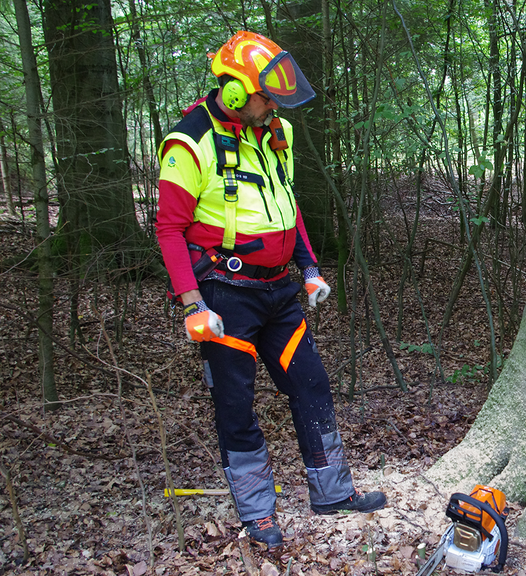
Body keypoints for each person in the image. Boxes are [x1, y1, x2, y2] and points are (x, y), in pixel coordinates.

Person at [155, 30, 386, 548]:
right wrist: (191, 303)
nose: (273, 107)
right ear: (235, 91)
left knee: (312, 385)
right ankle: (258, 515)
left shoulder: (273, 131)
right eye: (266, 97)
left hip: (279, 291)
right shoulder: (189, 141)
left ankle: (332, 492)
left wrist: (309, 268)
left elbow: (288, 207)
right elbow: (169, 228)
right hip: (223, 294)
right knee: (236, 407)